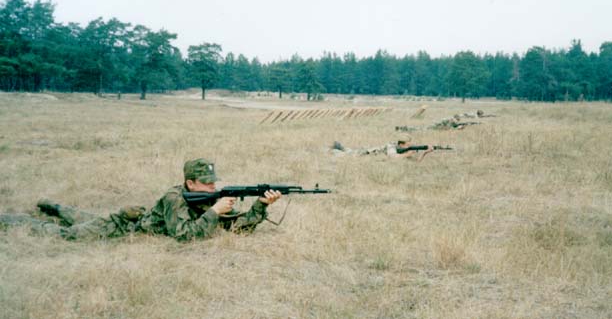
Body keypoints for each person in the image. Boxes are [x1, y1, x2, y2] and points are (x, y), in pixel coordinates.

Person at [0, 158, 282, 241]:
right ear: (190, 183)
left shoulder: (209, 197)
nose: (212, 187)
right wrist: (214, 212)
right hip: (124, 227)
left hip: (137, 219)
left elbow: (235, 228)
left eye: (213, 182)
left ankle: (55, 206)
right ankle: (13, 220)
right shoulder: (175, 197)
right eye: (206, 184)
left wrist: (261, 205)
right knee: (69, 235)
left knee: (82, 216)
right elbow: (184, 235)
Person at [331, 134, 434, 162]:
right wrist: (407, 154)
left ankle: (340, 147)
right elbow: (392, 157)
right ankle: (334, 148)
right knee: (343, 154)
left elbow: (416, 163)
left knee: (348, 151)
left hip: (367, 154)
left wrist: (425, 153)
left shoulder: (403, 150)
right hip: (366, 154)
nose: (409, 146)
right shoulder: (392, 146)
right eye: (408, 144)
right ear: (402, 144)